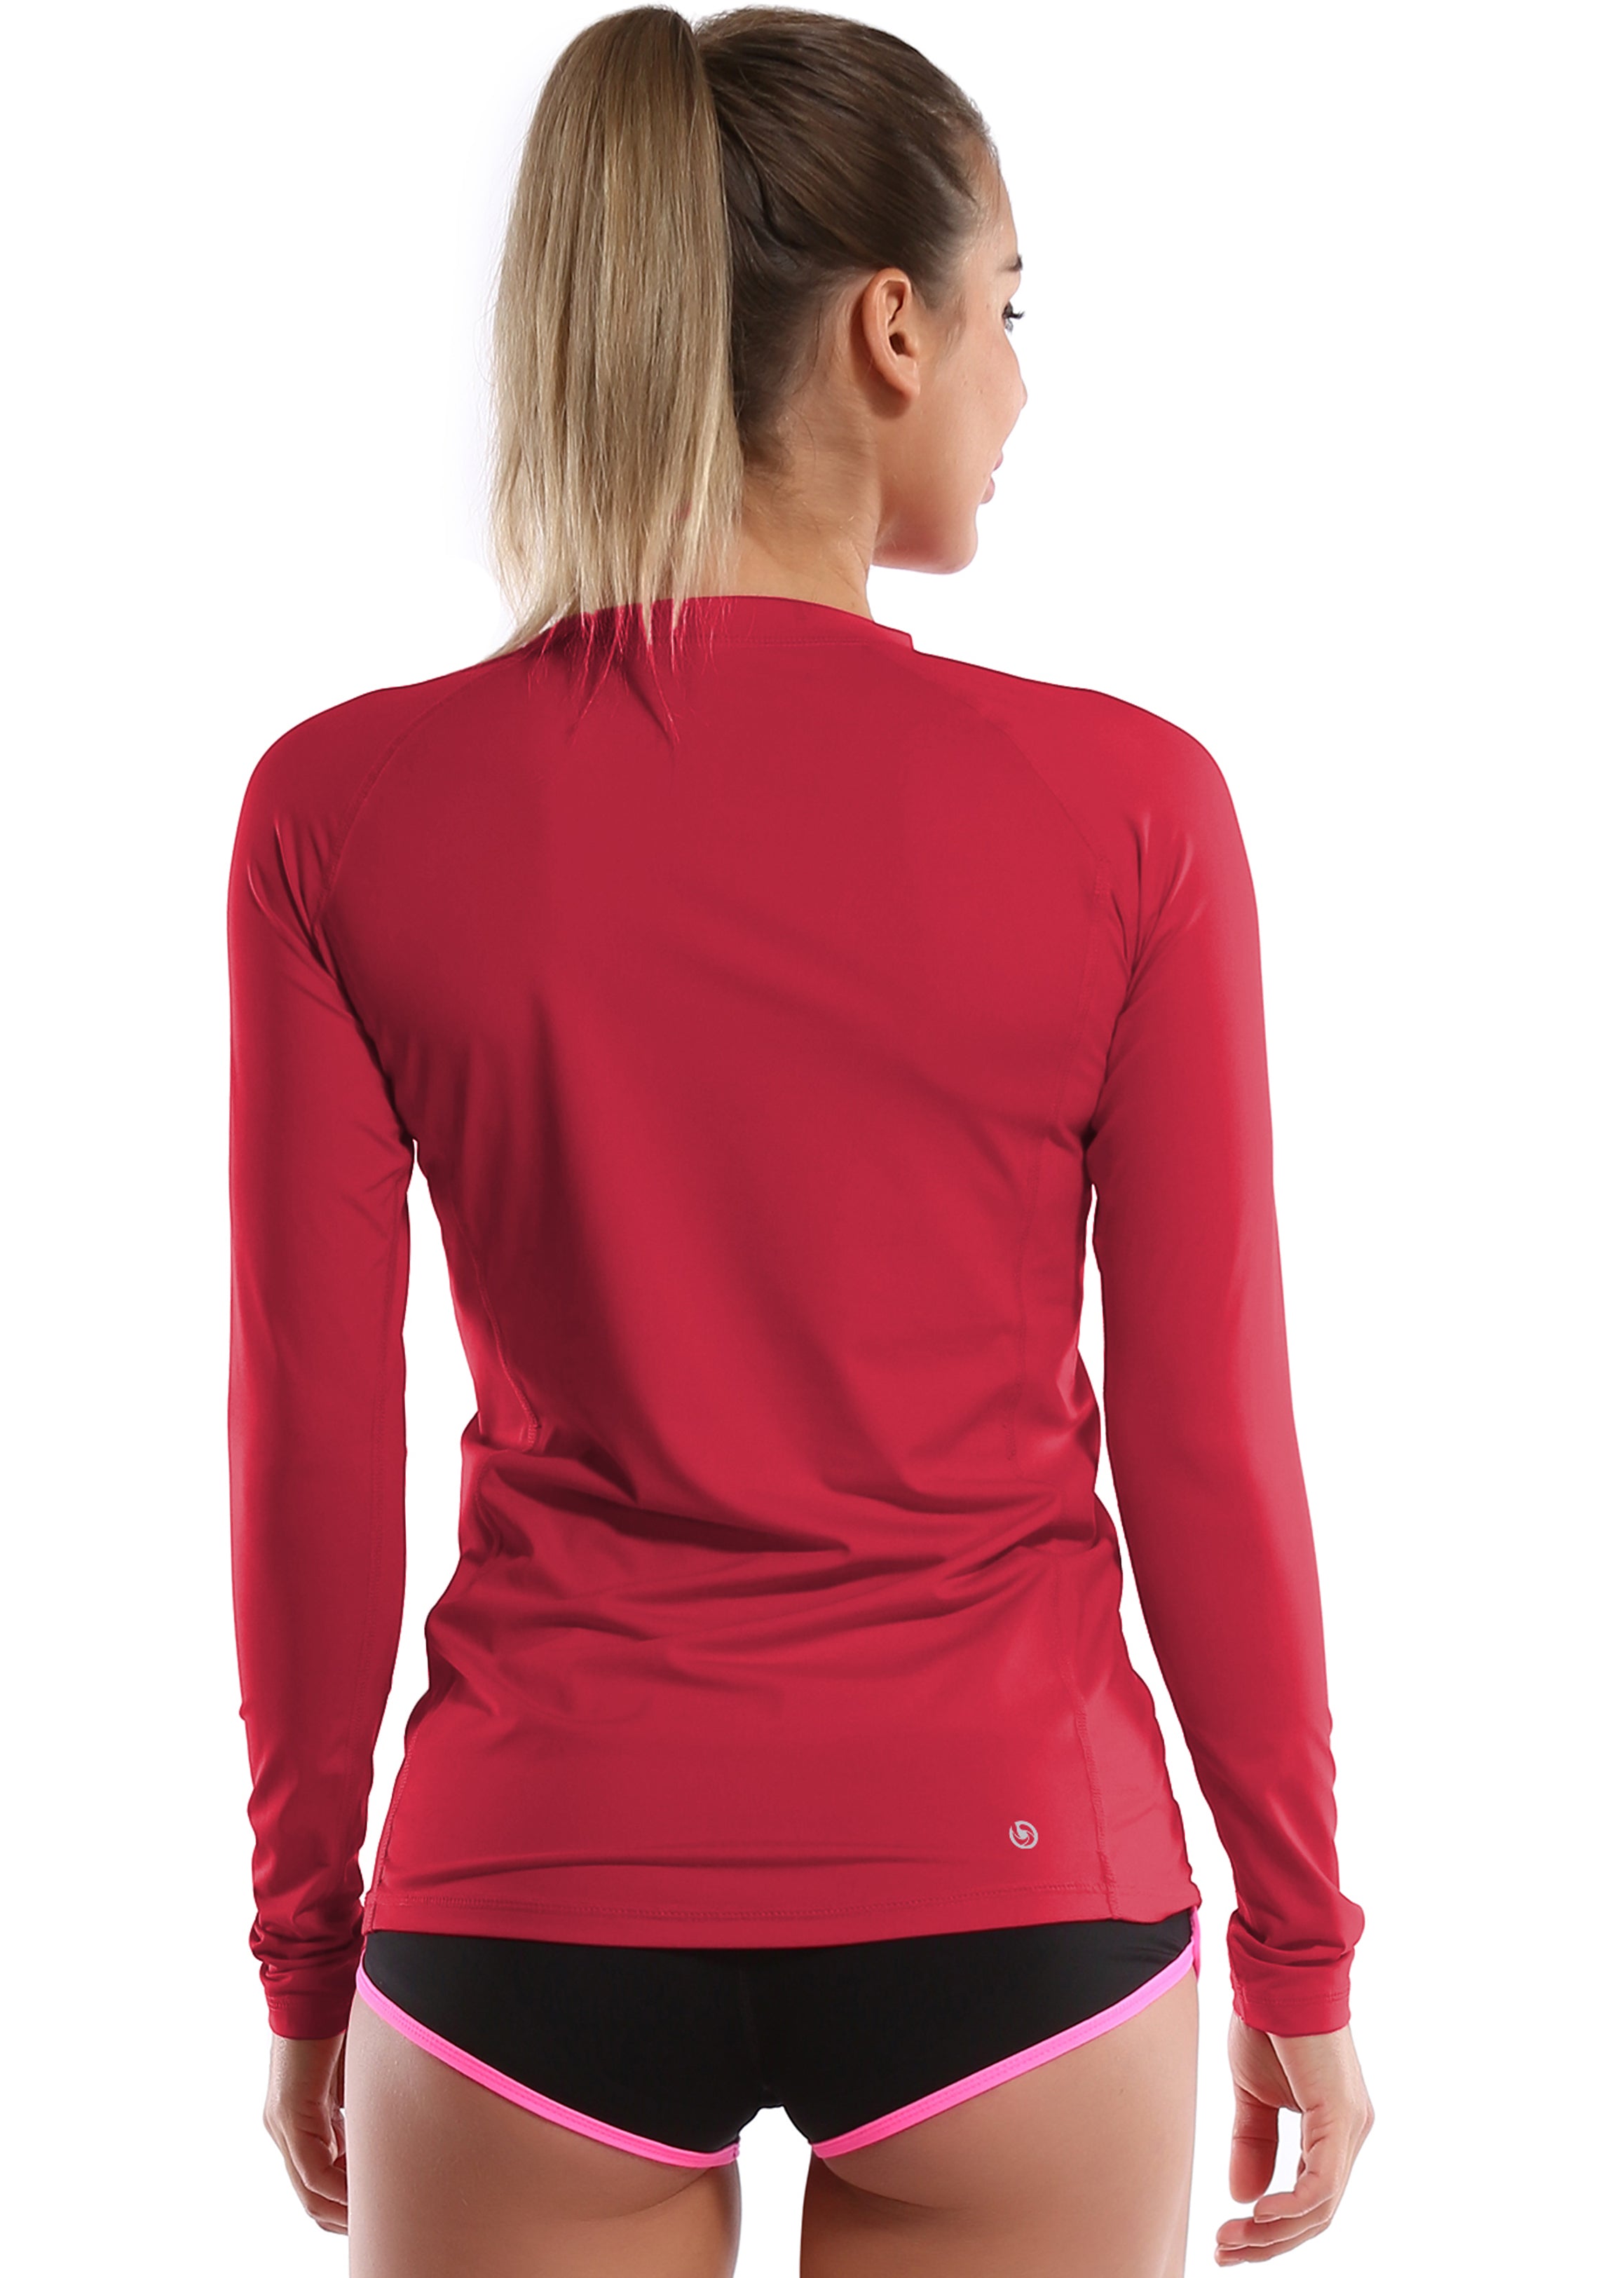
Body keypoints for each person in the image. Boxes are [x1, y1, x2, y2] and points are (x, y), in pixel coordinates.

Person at [225, 8, 1375, 2272]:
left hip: (533, 1887)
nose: (1017, 387)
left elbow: (307, 1432)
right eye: (1009, 311)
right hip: (1012, 1881)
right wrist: (1299, 1939)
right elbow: (1207, 1429)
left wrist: (305, 1945)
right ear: (887, 329)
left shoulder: (342, 811)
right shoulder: (1128, 811)